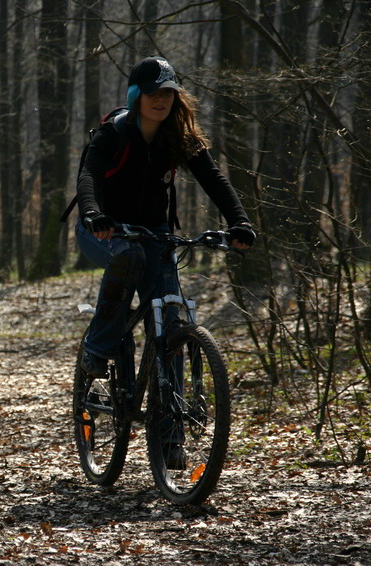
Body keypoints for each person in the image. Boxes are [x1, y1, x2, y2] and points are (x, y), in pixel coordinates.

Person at [75, 56, 256, 468]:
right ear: (136, 95)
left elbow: (214, 179)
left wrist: (239, 222)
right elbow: (89, 177)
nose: (161, 100)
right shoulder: (113, 133)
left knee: (170, 328)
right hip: (101, 228)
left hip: (154, 232)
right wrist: (94, 214)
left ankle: (170, 439)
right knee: (128, 255)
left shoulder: (178, 136)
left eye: (169, 94)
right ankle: (98, 348)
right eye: (154, 93)